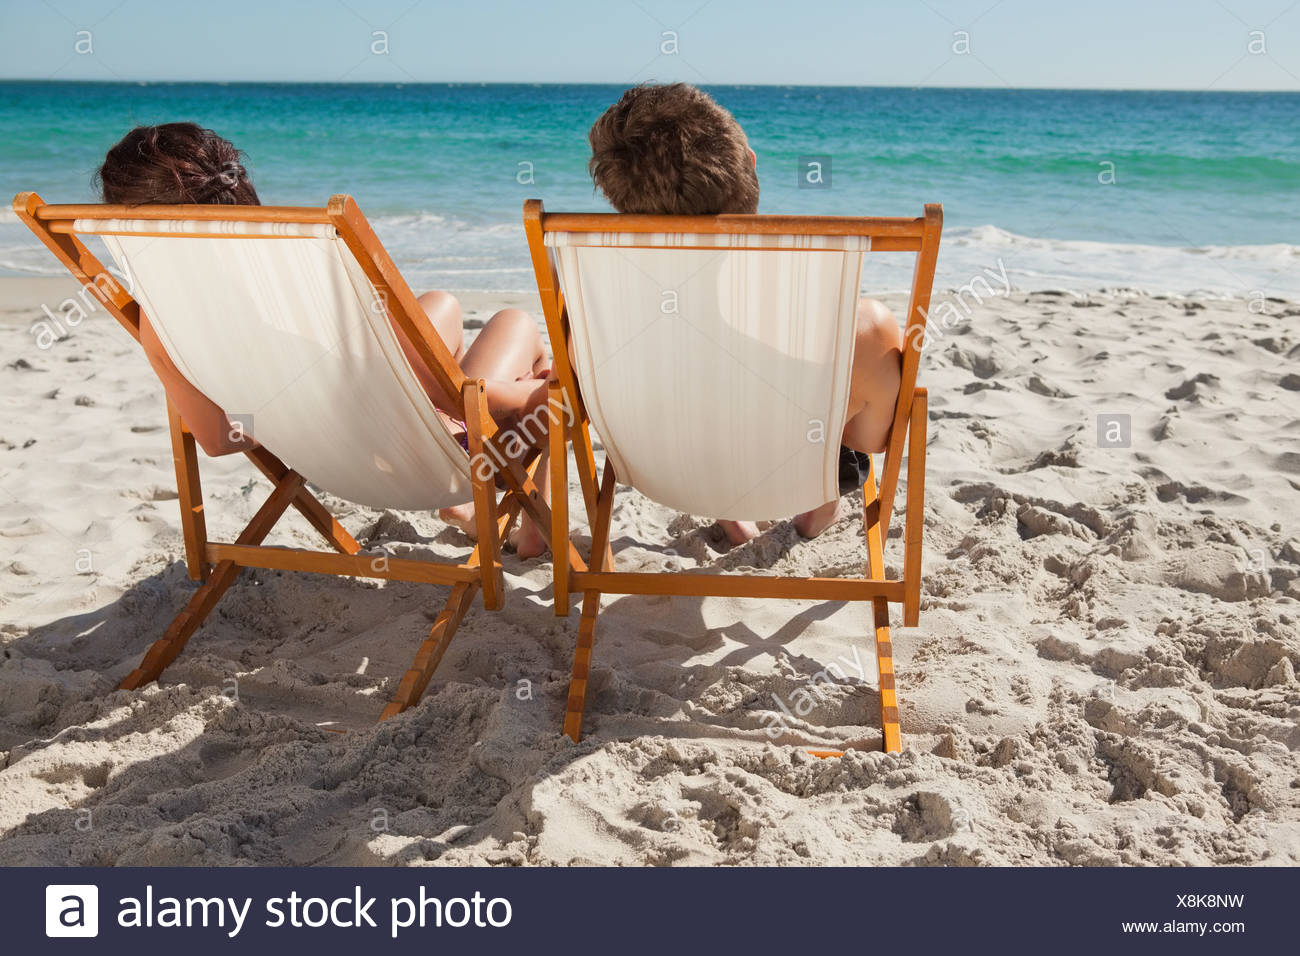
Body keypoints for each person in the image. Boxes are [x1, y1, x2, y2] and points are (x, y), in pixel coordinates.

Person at [96, 123, 551, 557]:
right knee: (518, 327)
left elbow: (215, 439)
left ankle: (471, 509)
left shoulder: (161, 321)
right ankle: (535, 531)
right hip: (423, 461)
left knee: (440, 304)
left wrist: (292, 424)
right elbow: (455, 401)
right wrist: (537, 395)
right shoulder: (306, 276)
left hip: (328, 462)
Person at [587, 83, 902, 542]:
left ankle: (731, 514)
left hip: (665, 473)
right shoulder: (861, 327)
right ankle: (817, 508)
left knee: (695, 381)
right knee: (828, 395)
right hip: (790, 472)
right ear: (751, 164)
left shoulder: (598, 312)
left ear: (618, 202)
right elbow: (872, 440)